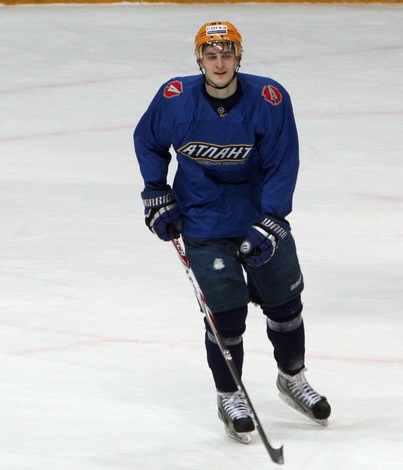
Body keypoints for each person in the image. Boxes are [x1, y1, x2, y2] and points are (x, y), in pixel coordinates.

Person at [134, 21, 331, 444]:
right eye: (211, 55)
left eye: (226, 54)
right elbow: (148, 140)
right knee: (225, 315)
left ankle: (292, 378)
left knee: (285, 305)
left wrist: (273, 217)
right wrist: (156, 191)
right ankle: (230, 396)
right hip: (203, 219)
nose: (219, 62)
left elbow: (284, 161)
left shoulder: (269, 99)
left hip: (257, 215)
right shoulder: (174, 98)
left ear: (239, 57)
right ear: (199, 60)